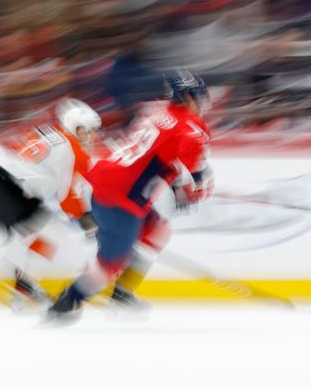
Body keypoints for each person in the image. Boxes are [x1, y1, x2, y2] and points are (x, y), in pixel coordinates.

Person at [47, 70, 213, 322]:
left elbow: (159, 152)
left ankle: (122, 294)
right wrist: (195, 189)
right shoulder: (191, 128)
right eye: (198, 98)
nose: (201, 104)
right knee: (108, 266)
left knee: (157, 231)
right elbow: (194, 169)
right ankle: (67, 302)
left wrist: (179, 186)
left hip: (106, 184)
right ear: (189, 98)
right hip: (121, 199)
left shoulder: (155, 112)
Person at [0, 98, 100, 307]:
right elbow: (68, 198)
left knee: (52, 230)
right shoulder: (75, 151)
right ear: (73, 126)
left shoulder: (48, 131)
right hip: (5, 187)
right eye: (86, 130)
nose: (90, 136)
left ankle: (24, 287)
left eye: (92, 131)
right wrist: (85, 218)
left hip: (0, 182)